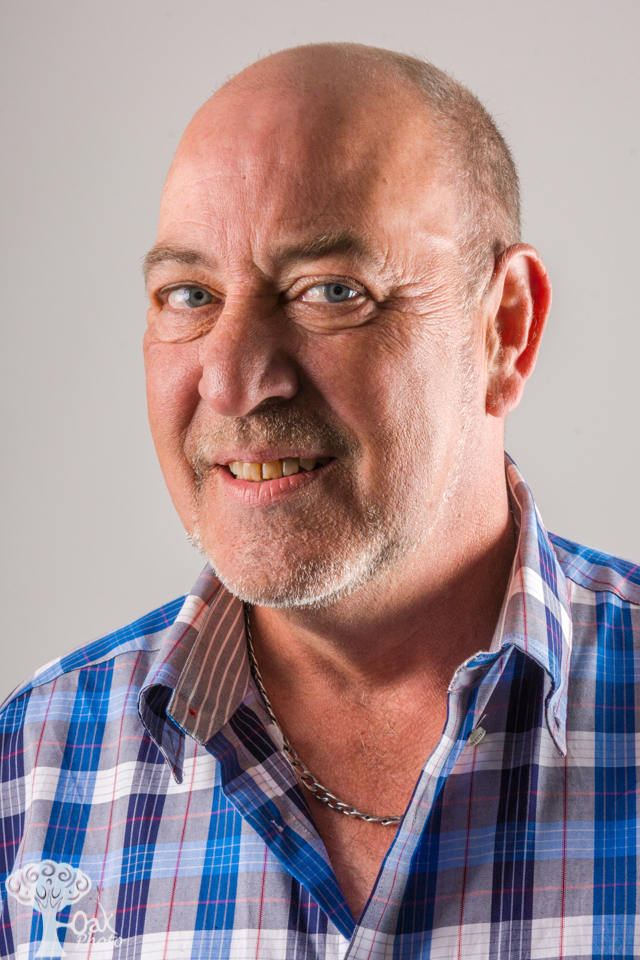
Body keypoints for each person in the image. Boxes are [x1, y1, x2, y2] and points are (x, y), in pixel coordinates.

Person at [1, 42, 639, 960]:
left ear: (505, 329)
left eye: (331, 291)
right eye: (189, 294)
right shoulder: (31, 771)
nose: (231, 380)